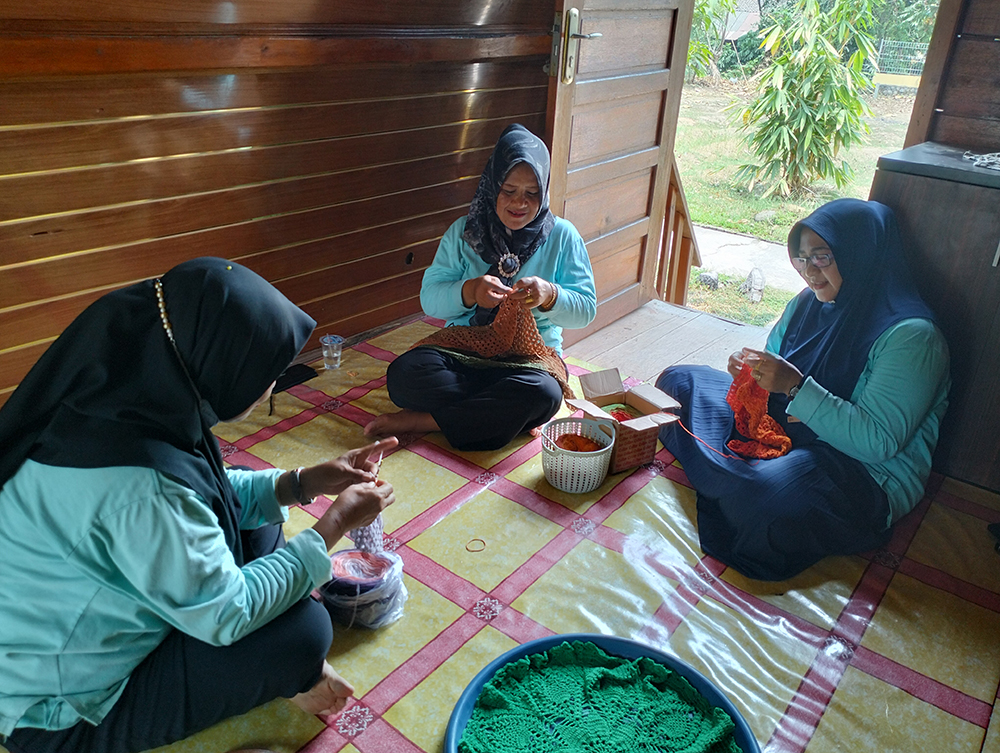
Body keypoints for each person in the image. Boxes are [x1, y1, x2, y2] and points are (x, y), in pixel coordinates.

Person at [0, 257, 397, 753]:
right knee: (303, 633)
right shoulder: (140, 485)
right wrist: (335, 522)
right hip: (58, 712)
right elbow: (227, 610)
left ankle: (276, 653)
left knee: (254, 499)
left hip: (99, 617)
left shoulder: (117, 404)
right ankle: (289, 673)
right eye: (264, 370)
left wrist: (305, 481)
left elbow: (206, 492)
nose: (273, 383)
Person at [655, 199, 950, 581]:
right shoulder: (809, 302)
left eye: (822, 257)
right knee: (677, 383)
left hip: (857, 470)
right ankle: (736, 481)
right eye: (802, 258)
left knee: (766, 505)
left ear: (858, 254)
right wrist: (749, 372)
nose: (809, 272)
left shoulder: (912, 338)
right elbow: (773, 365)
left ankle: (734, 479)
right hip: (787, 429)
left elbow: (876, 443)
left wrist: (794, 386)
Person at [364, 123, 597, 451]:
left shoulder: (562, 236)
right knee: (404, 377)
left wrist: (550, 295)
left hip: (530, 357)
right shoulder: (464, 233)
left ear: (544, 190)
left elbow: (586, 309)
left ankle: (425, 421)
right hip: (463, 351)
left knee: (543, 392)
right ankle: (505, 412)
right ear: (492, 185)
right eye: (509, 190)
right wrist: (470, 292)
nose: (520, 203)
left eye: (532, 193)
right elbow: (430, 300)